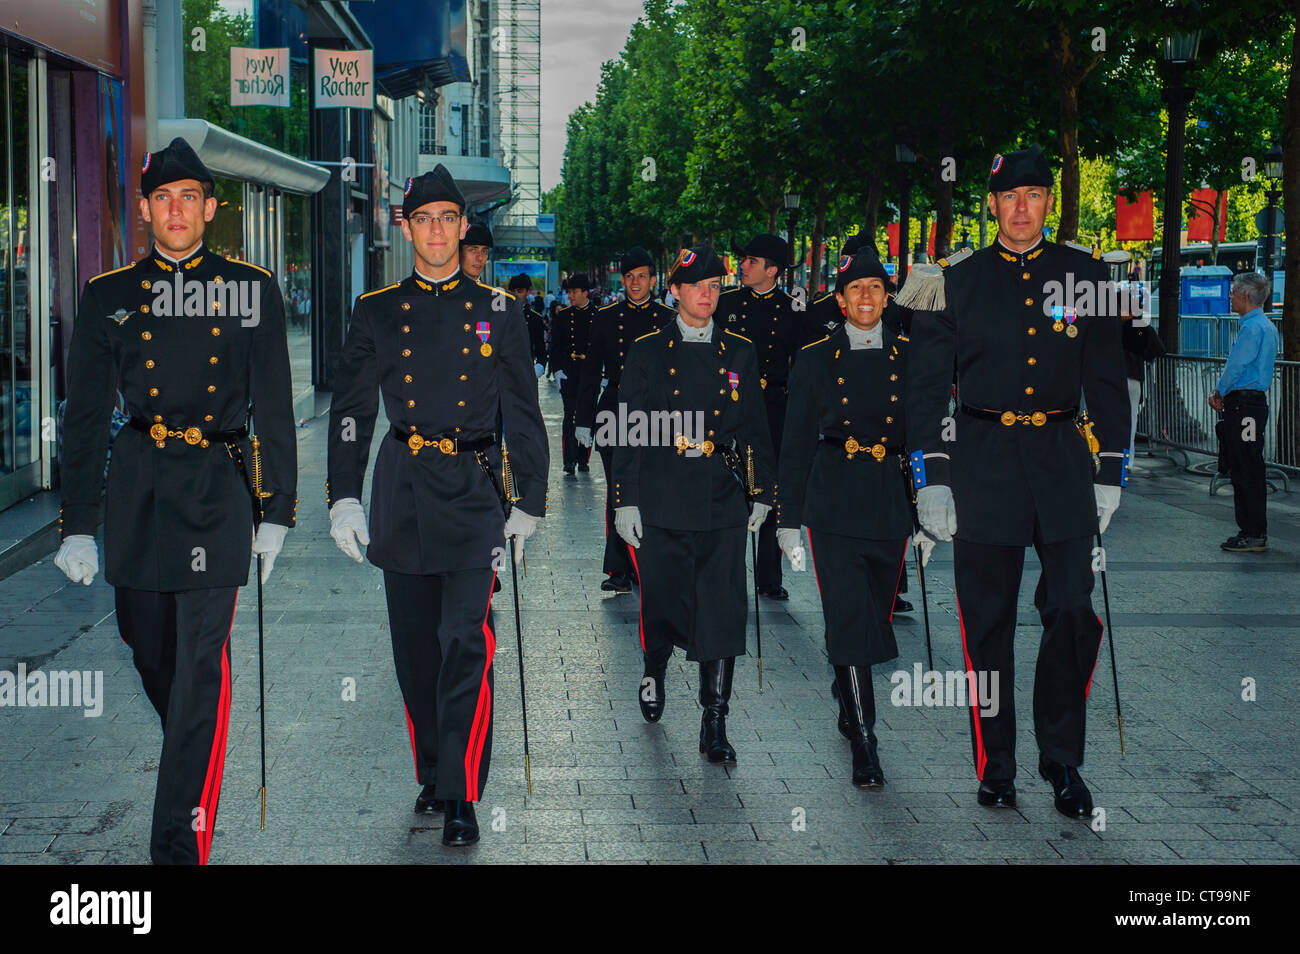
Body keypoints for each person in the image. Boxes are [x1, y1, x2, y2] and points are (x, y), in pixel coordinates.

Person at [54, 137, 296, 864]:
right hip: (138, 493)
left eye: (189, 196)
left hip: (217, 491)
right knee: (149, 651)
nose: (177, 209)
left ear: (211, 209)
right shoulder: (108, 296)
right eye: (163, 198)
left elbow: (276, 409)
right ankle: (192, 743)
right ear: (145, 210)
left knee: (199, 668)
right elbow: (87, 416)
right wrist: (77, 526)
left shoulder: (251, 290)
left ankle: (175, 844)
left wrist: (276, 510)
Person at [901, 145, 1130, 819]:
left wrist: (1111, 469)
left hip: (1062, 458)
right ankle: (995, 763)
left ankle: (1060, 757)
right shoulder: (945, 279)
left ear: (1049, 203)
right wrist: (931, 480)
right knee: (987, 624)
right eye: (1010, 197)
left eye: (1034, 195)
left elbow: (1108, 380)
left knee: (1072, 610)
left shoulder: (1087, 275)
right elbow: (922, 392)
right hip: (982, 459)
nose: (1022, 208)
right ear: (992, 204)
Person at [326, 165, 548, 847]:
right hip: (402, 491)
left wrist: (530, 501)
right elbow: (353, 411)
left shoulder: (501, 312)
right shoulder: (377, 310)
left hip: (475, 491)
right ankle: (433, 767)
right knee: (416, 655)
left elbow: (523, 410)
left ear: (461, 226)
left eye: (449, 218)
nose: (437, 231)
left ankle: (460, 792)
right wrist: (341, 496)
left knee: (464, 644)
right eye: (424, 219)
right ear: (407, 227)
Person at [776, 250, 934, 788]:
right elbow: (795, 443)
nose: (866, 297)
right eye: (855, 289)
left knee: (875, 616)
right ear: (838, 299)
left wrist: (931, 509)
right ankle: (865, 741)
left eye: (875, 287)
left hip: (890, 499)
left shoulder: (912, 356)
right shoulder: (816, 358)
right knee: (845, 616)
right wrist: (788, 519)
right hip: (834, 500)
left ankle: (847, 690)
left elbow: (926, 435)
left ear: (888, 296)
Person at [613, 244, 776, 764]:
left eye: (715, 286)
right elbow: (628, 429)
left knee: (723, 609)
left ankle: (715, 720)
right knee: (663, 598)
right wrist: (626, 500)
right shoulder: (647, 350)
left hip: (721, 495)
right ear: (676, 291)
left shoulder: (740, 351)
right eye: (697, 286)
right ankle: (654, 665)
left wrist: (761, 492)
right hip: (663, 495)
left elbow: (755, 429)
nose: (707, 295)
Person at [575, 247, 676, 594]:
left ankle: (646, 562)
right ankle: (618, 568)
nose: (636, 282)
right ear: (623, 278)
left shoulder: (668, 317)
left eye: (642, 276)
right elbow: (591, 370)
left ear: (652, 279)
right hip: (615, 409)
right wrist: (583, 420)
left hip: (656, 413)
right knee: (619, 488)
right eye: (630, 276)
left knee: (651, 489)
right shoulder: (605, 317)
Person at [716, 234, 801, 600]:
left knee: (771, 489)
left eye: (751, 261)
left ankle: (769, 575)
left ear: (773, 271)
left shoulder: (793, 309)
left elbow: (803, 364)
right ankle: (725, 570)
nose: (743, 266)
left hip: (775, 410)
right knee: (730, 489)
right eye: (744, 259)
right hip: (730, 408)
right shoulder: (726, 303)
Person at [1210, 271, 1279, 552]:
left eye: (1234, 291)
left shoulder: (1252, 329)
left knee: (1244, 467)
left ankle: (1252, 532)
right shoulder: (1267, 326)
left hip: (1244, 405)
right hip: (1253, 404)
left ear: (1246, 296)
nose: (1230, 296)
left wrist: (1218, 391)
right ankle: (1253, 530)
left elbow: (1235, 366)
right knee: (1249, 464)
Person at [549, 273, 596, 475]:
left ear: (585, 292)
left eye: (574, 292)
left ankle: (583, 457)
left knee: (588, 416)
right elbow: (555, 345)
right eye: (569, 292)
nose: (570, 296)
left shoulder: (599, 315)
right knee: (570, 416)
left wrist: (604, 373)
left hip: (590, 372)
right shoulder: (564, 316)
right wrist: (557, 369)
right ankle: (569, 460)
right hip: (569, 371)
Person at [509, 274, 548, 375]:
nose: (515, 295)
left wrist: (539, 367)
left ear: (528, 292)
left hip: (526, 372)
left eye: (520, 291)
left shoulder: (535, 318)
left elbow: (541, 350)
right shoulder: (499, 315)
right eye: (512, 291)